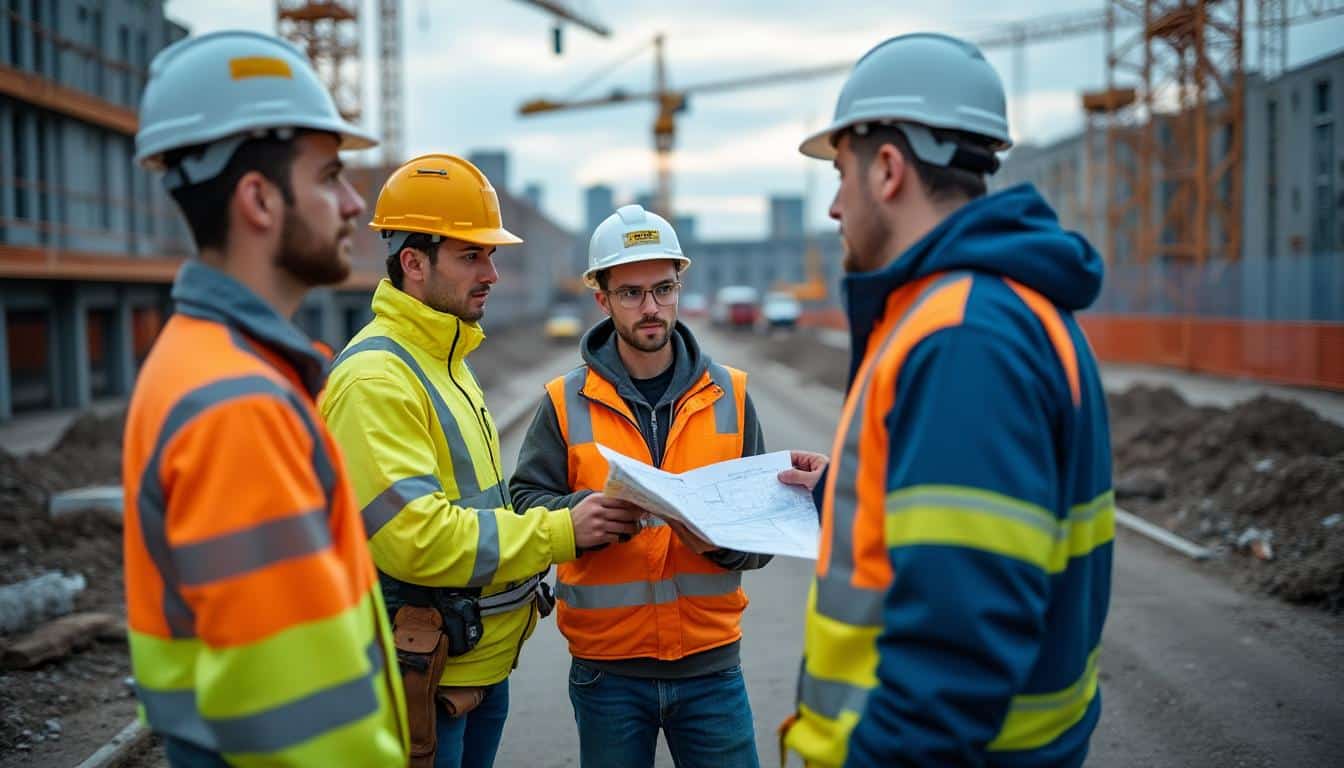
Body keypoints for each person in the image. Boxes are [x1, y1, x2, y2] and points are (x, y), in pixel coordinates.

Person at [779, 33, 1115, 767]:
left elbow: (956, 646)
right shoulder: (1002, 309)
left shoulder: (962, 336)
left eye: (842, 173)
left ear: (889, 170)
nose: (835, 206)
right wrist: (846, 492)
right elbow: (978, 531)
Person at [122, 31, 406, 766]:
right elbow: (303, 727)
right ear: (258, 199)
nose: (353, 205)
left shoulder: (204, 362)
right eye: (330, 177)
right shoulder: (238, 405)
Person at [319, 155, 644, 768]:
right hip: (427, 672)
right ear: (413, 262)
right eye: (472, 256)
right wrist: (562, 530)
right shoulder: (376, 379)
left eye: (490, 255)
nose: (492, 273)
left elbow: (479, 506)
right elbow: (414, 537)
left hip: (472, 664)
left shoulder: (449, 360)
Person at [510, 204, 777, 768]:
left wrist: (721, 541)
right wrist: (580, 519)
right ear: (602, 298)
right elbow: (524, 502)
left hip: (712, 667)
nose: (651, 308)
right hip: (608, 674)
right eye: (631, 293)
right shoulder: (564, 401)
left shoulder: (731, 394)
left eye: (663, 288)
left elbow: (765, 525)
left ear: (681, 286)